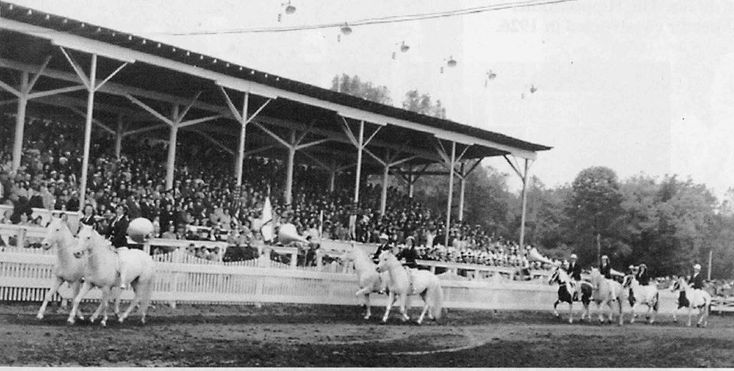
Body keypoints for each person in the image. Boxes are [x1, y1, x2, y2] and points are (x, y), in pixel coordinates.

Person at [107, 204, 130, 289]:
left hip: (120, 244)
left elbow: (121, 234)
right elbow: (108, 230)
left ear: (123, 211)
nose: (118, 210)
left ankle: (123, 281)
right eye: (117, 209)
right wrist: (107, 238)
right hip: (111, 243)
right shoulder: (113, 219)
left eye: (120, 209)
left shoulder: (125, 221)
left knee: (123, 261)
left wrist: (113, 242)